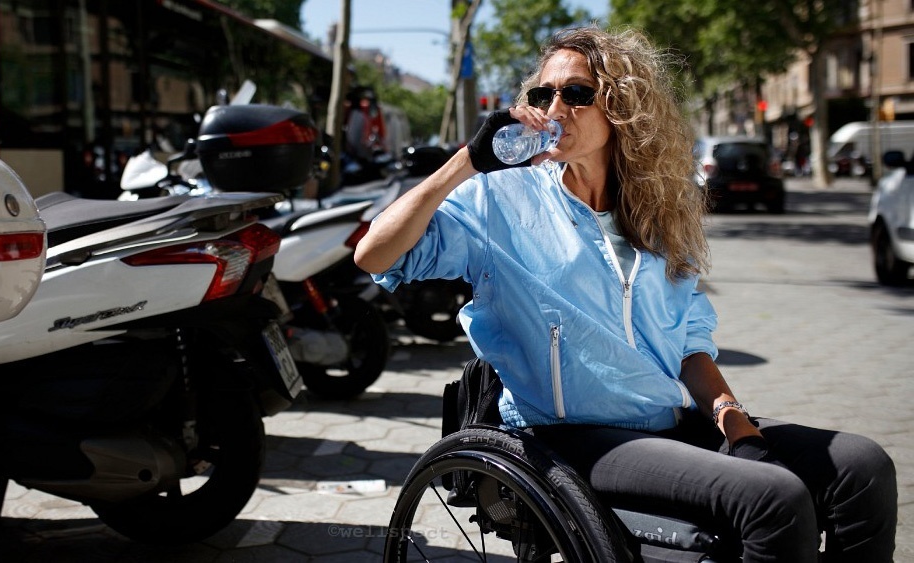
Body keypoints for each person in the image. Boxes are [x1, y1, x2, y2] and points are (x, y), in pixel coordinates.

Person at [354, 26, 896, 562]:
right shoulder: (500, 199)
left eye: (577, 93)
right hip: (568, 436)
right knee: (773, 501)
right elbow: (374, 255)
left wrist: (735, 419)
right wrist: (467, 160)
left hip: (665, 421)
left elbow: (687, 340)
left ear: (620, 104)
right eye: (544, 94)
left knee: (860, 465)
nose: (555, 106)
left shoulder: (657, 207)